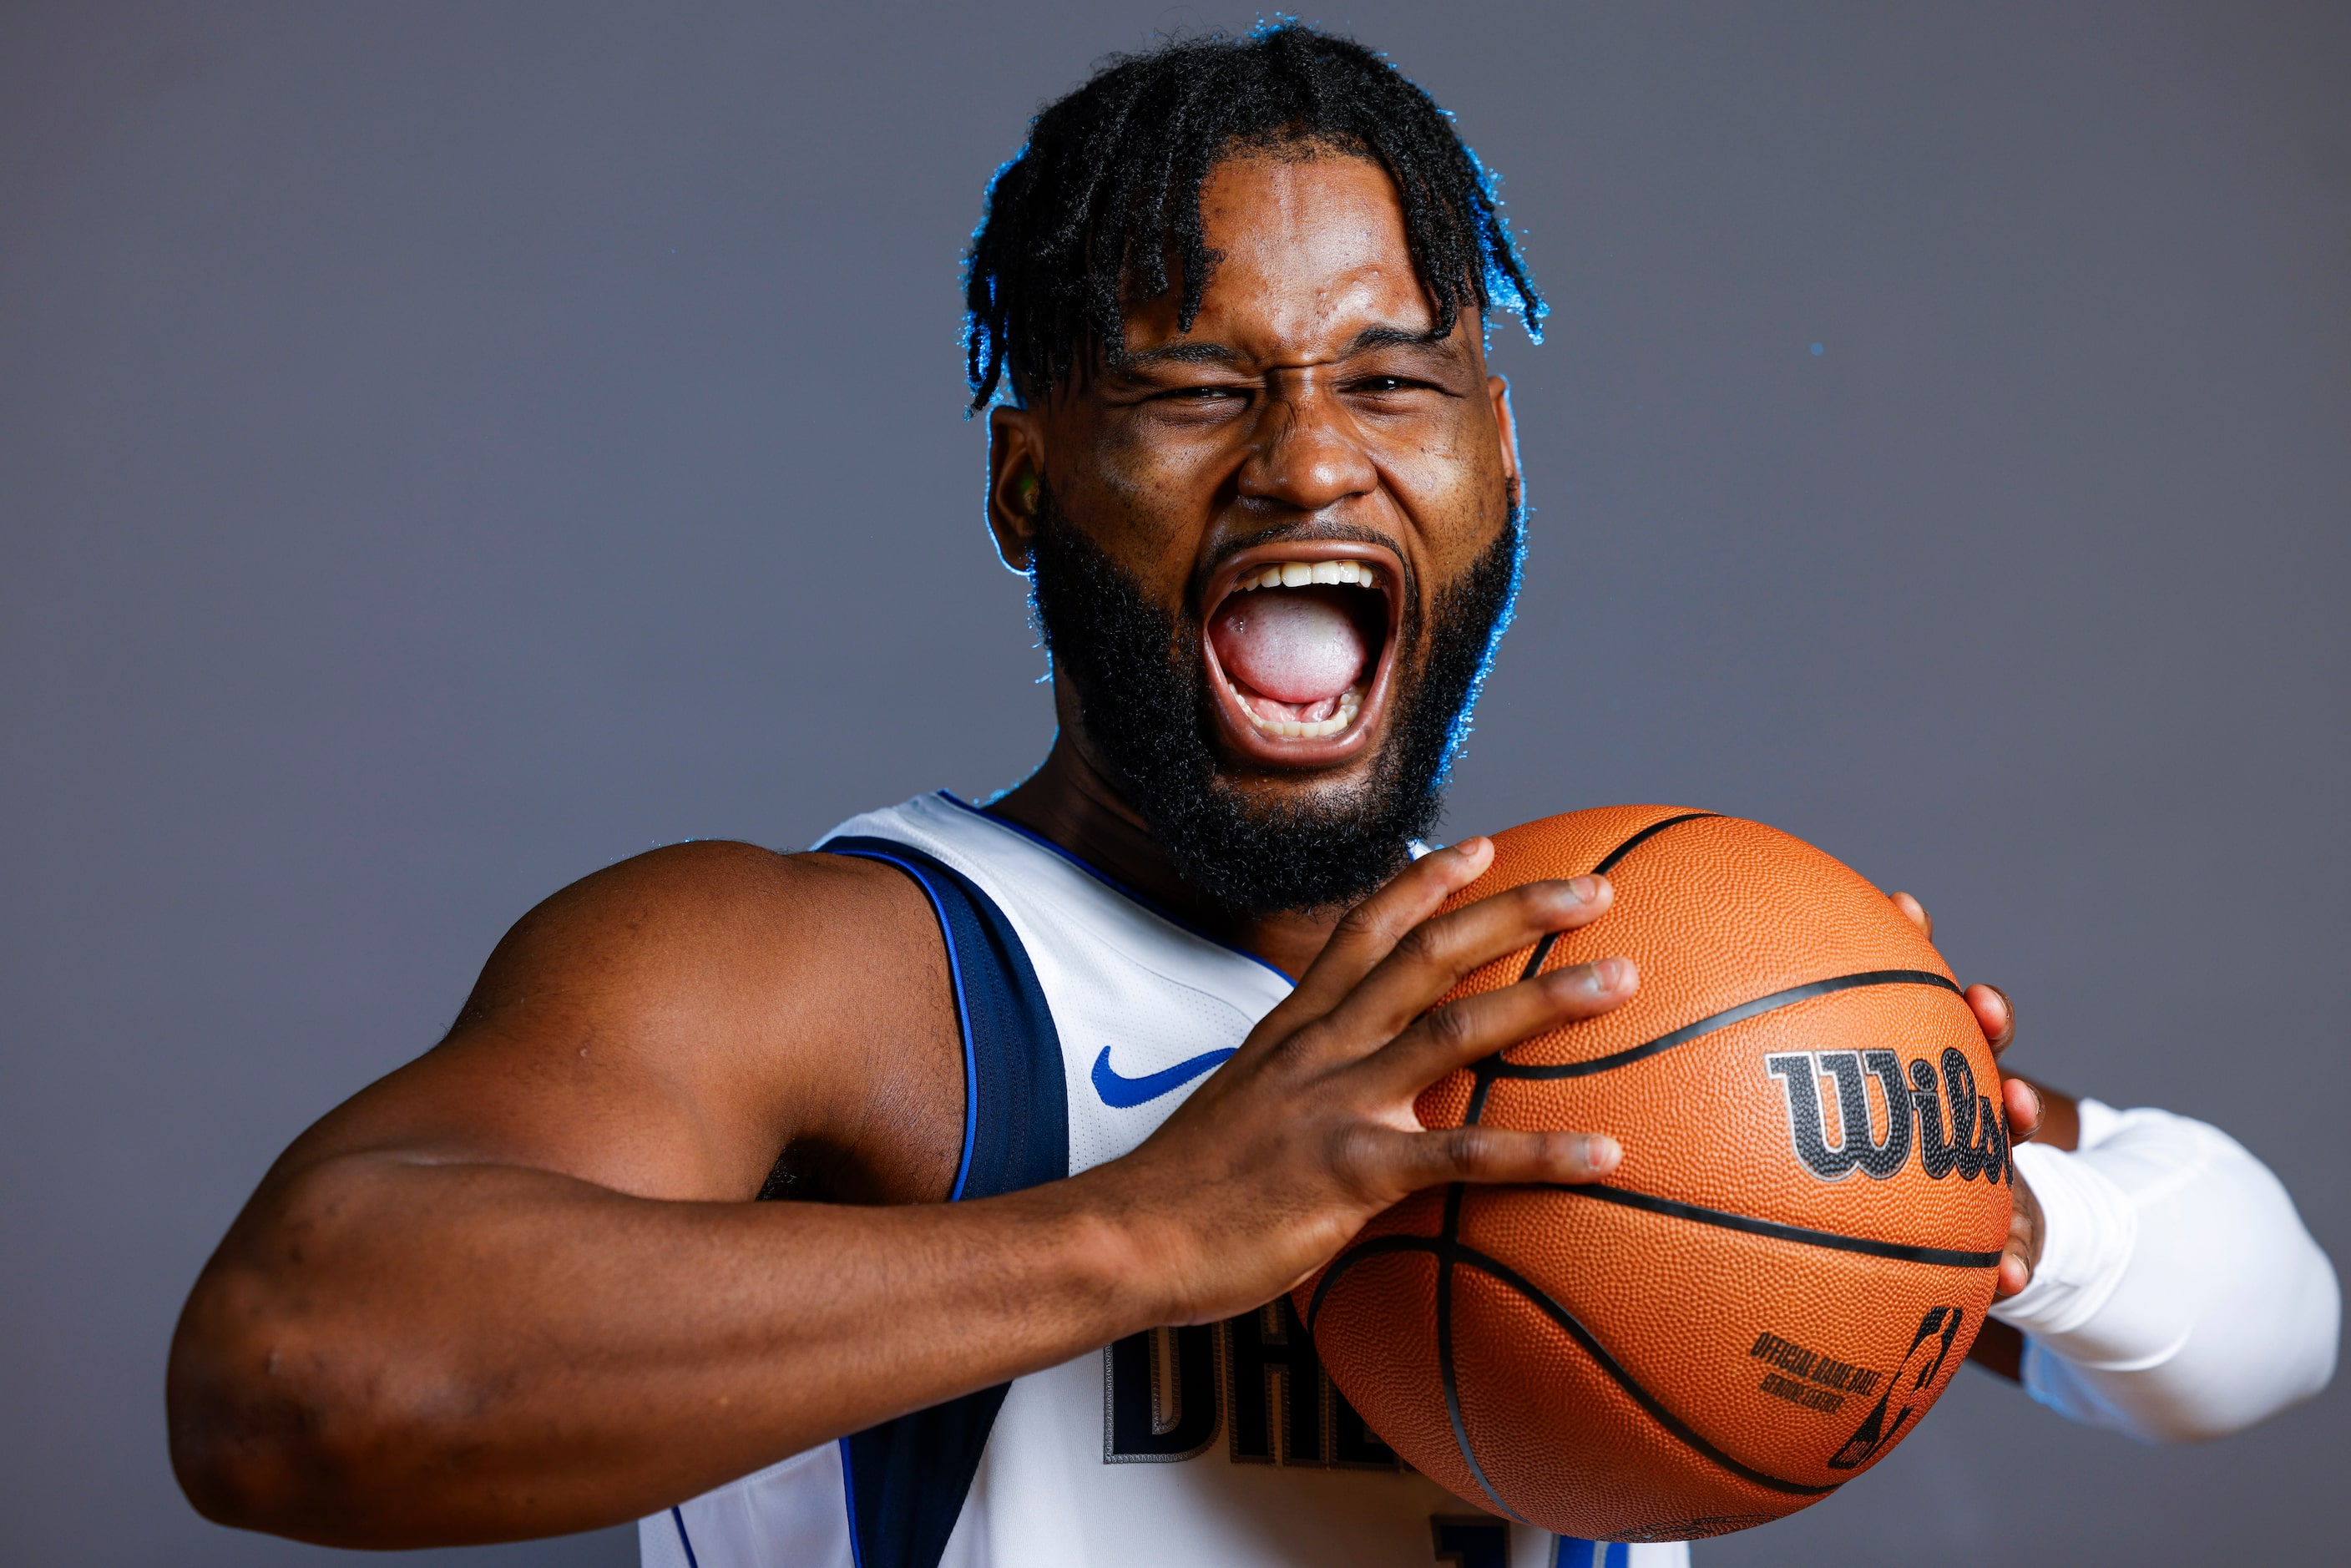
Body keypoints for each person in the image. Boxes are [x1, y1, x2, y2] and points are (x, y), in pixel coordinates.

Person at [166, 25, 2337, 1568]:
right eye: (1200, 387)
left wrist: (1966, 1217)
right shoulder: (831, 976)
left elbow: (2264, 1337)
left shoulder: (1614, 996)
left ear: (1500, 466)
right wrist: (1147, 1234)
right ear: (1033, 479)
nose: (1310, 461)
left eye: (1396, 379)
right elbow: (296, 1375)